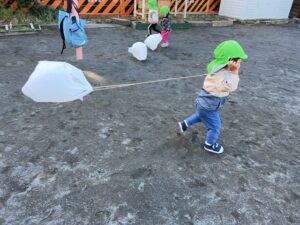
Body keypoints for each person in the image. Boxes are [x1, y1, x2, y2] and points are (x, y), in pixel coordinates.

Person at [178, 40, 248, 154]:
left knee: (200, 116)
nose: (240, 65)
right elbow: (232, 87)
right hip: (209, 106)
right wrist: (235, 72)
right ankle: (209, 144)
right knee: (215, 127)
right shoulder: (223, 74)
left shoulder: (216, 67)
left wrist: (231, 70)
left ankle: (184, 124)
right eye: (239, 62)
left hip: (202, 102)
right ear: (230, 61)